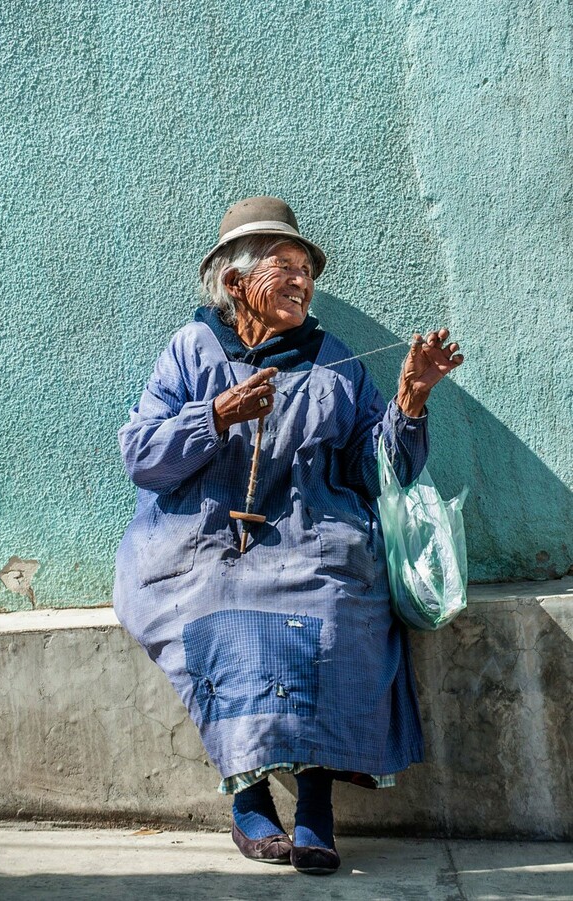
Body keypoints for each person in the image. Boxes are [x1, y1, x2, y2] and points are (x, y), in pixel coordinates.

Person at [113, 196, 464, 875]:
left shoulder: (333, 359)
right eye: (285, 265)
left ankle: (314, 801)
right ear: (236, 281)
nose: (303, 280)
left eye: (307, 268)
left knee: (337, 604)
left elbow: (374, 469)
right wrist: (214, 415)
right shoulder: (192, 351)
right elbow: (140, 452)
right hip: (204, 539)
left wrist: (409, 405)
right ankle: (248, 794)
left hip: (313, 533)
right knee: (216, 604)